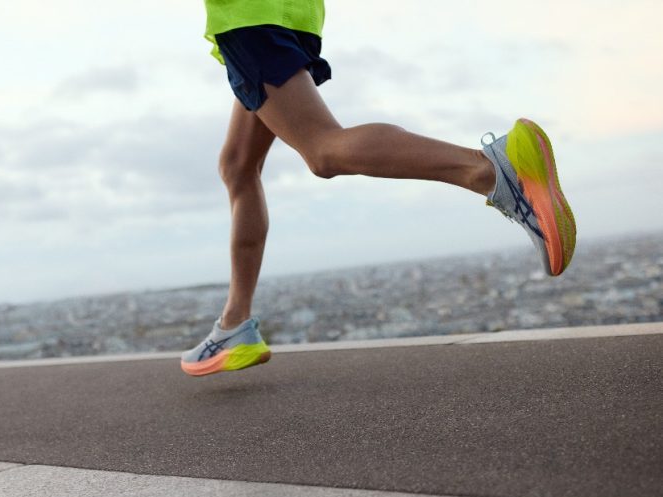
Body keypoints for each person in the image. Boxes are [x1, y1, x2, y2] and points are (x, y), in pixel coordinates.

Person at [180, 0, 576, 376]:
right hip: (289, 15)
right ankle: (234, 325)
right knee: (237, 165)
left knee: (321, 149)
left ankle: (491, 172)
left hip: (248, 17)